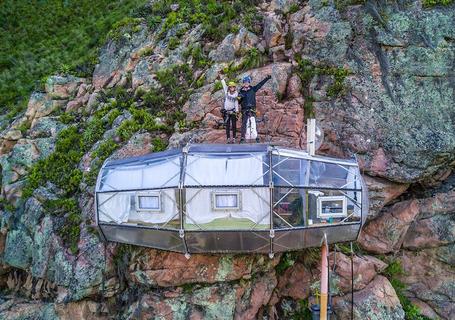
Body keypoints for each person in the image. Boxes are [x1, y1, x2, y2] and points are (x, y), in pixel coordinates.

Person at [238, 74, 272, 143]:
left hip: (252, 109)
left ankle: (256, 137)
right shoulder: (241, 91)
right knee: (244, 123)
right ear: (243, 83)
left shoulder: (253, 89)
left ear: (249, 82)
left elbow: (260, 84)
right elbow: (239, 102)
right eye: (245, 82)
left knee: (254, 122)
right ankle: (242, 138)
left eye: (247, 82)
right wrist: (240, 98)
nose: (246, 83)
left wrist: (267, 78)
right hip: (244, 109)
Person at [220, 78, 239, 143]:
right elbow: (224, 84)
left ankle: (234, 138)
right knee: (227, 125)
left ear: (234, 88)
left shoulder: (236, 94)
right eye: (230, 87)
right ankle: (228, 138)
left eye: (233, 87)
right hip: (226, 111)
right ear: (229, 88)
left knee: (234, 125)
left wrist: (237, 111)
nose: (232, 88)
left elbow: (236, 102)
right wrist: (221, 78)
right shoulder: (226, 92)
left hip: (233, 111)